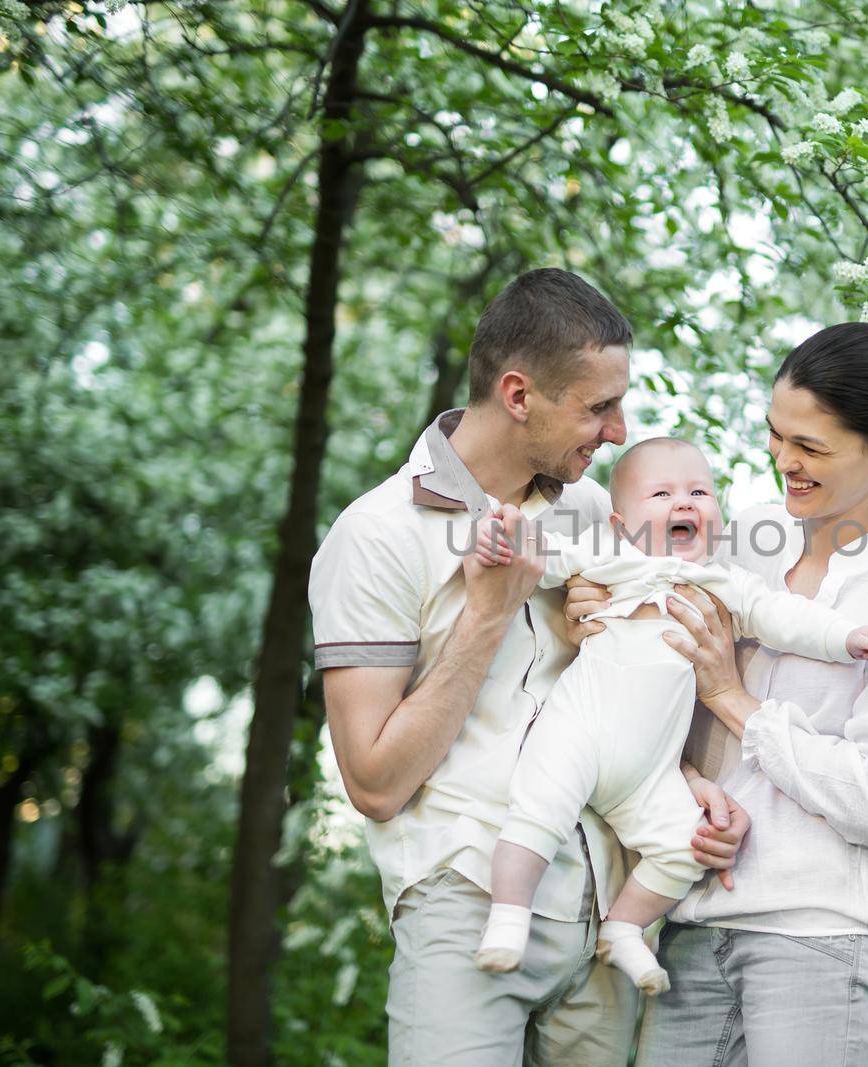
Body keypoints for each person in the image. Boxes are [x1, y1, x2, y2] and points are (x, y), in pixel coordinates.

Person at [306, 268, 748, 1066]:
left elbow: (629, 678)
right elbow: (373, 782)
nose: (619, 432)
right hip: (467, 901)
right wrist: (488, 611)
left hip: (607, 911)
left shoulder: (597, 511)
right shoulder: (376, 536)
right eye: (597, 407)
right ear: (518, 395)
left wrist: (684, 778)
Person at [568, 322, 868, 1065]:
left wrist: (731, 695)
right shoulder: (738, 536)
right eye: (777, 435)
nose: (784, 460)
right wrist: (686, 783)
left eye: (811, 446)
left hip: (817, 940)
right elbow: (652, 694)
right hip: (689, 928)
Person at [468, 438, 868, 994]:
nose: (684, 503)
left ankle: (623, 929)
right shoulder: (612, 560)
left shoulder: (722, 582)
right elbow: (545, 560)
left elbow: (781, 615)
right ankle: (508, 918)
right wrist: (506, 538)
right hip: (578, 733)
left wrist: (843, 637)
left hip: (651, 773)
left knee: (683, 847)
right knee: (535, 816)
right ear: (621, 523)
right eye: (662, 493)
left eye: (699, 492)